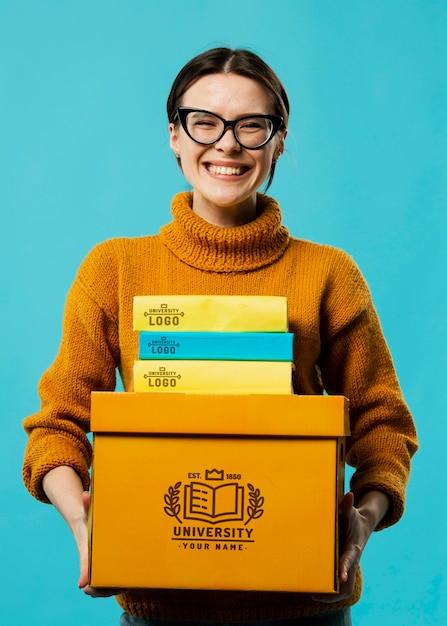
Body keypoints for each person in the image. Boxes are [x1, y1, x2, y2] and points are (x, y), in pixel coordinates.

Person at [23, 47, 418, 626]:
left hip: (306, 605)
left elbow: (384, 425)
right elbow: (56, 424)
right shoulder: (114, 270)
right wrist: (83, 520)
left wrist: (366, 515)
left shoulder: (330, 274)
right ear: (174, 136)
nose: (226, 144)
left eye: (251, 126)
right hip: (158, 600)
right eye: (203, 122)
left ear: (279, 141)